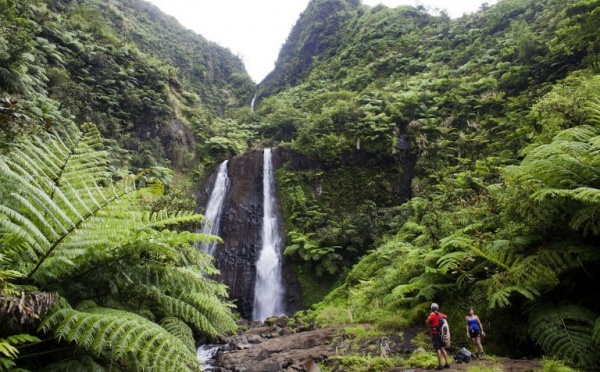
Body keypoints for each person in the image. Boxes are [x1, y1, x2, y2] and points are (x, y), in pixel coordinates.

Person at [426, 303, 450, 370]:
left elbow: (427, 321)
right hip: (441, 334)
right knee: (442, 348)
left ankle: (440, 365)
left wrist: (429, 320)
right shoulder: (439, 314)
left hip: (435, 334)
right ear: (437, 308)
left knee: (438, 349)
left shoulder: (432, 314)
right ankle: (447, 363)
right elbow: (445, 316)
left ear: (432, 308)